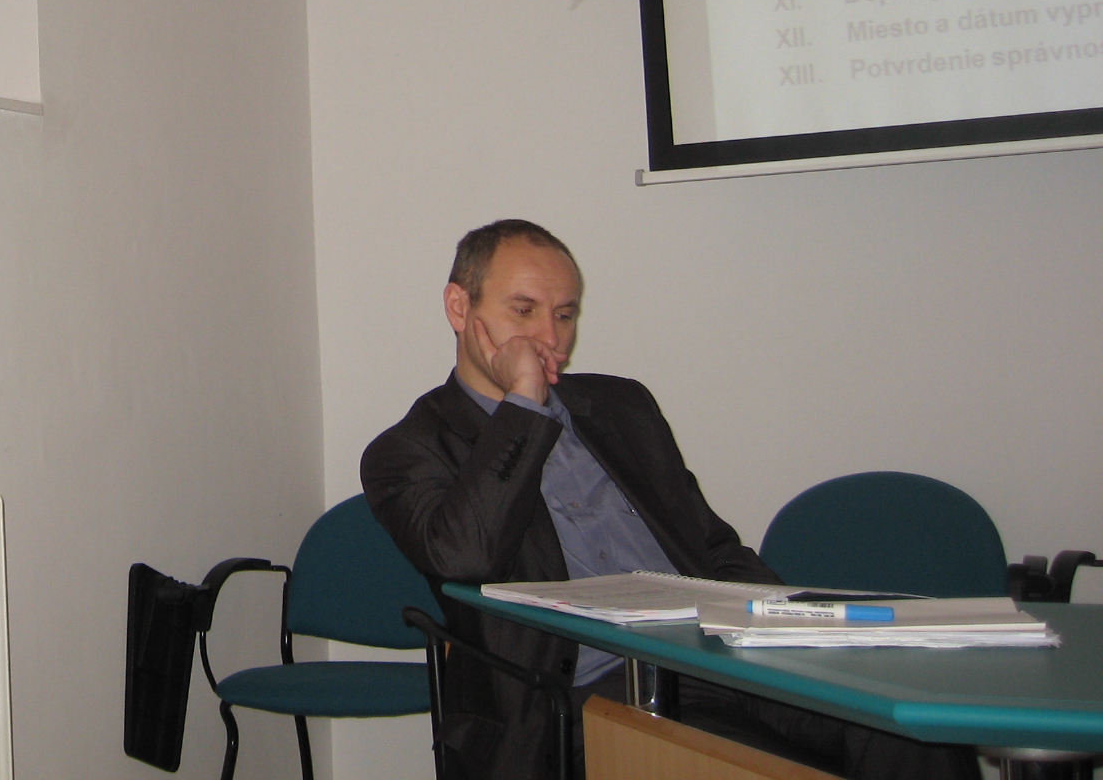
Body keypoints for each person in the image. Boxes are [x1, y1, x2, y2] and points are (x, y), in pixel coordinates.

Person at [360, 219, 977, 780]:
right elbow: (465, 555)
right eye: (524, 310)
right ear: (459, 307)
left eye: (566, 315)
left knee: (914, 729)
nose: (551, 337)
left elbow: (709, 545)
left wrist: (784, 622)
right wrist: (522, 405)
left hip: (724, 657)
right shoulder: (407, 451)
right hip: (584, 692)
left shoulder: (621, 406)